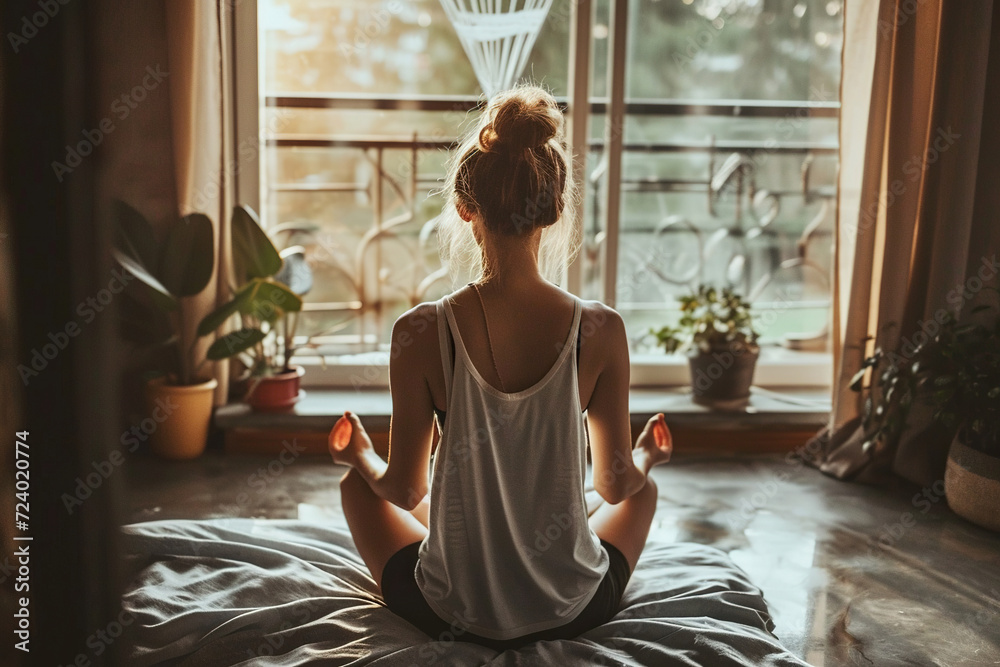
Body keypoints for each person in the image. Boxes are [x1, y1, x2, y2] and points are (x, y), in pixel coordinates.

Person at [329, 84, 673, 652]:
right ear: (556, 207)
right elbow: (614, 487)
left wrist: (357, 454)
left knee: (356, 488)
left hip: (448, 612)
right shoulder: (601, 328)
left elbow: (404, 486)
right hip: (572, 612)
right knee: (643, 491)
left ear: (466, 209)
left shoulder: (420, 331)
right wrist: (648, 456)